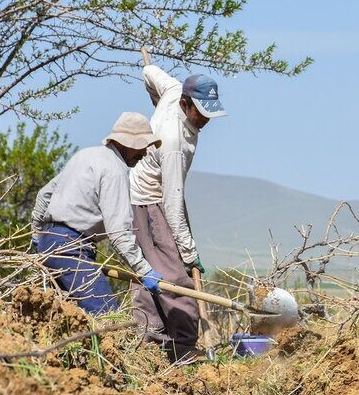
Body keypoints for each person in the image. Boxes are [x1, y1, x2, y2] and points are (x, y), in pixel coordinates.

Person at [130, 61, 227, 361]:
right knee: (175, 277)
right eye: (201, 111)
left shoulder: (172, 91)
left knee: (149, 271)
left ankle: (150, 342)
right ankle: (183, 347)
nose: (206, 119)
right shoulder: (173, 142)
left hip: (145, 197)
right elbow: (172, 206)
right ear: (185, 104)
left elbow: (149, 71)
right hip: (151, 200)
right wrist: (188, 253)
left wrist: (154, 99)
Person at [32, 112, 164, 315]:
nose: (145, 154)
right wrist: (144, 270)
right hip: (71, 248)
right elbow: (120, 233)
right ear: (127, 144)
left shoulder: (85, 155)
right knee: (107, 316)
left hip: (49, 243)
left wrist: (37, 236)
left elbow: (44, 195)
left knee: (65, 318)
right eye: (142, 147)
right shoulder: (114, 171)